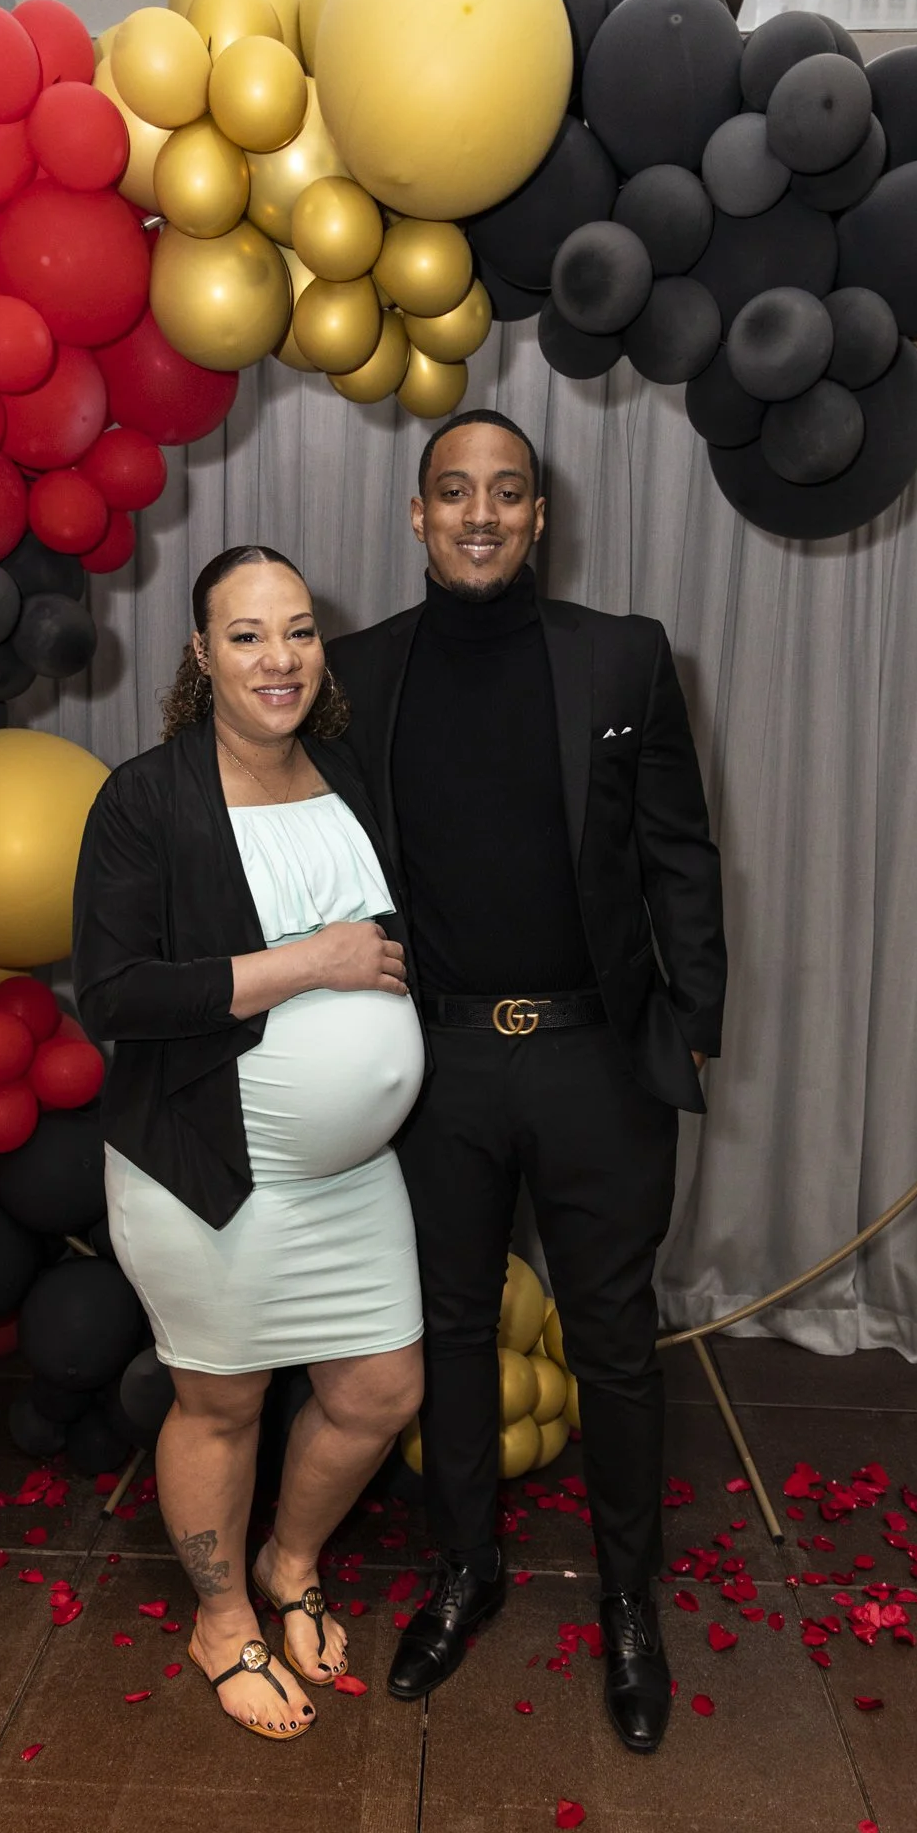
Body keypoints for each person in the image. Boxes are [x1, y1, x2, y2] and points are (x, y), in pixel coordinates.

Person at [331, 410, 726, 1755]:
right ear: (418, 514)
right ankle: (465, 1571)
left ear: (539, 516)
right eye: (455, 492)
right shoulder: (359, 673)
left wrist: (695, 1019)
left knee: (612, 1338)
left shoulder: (621, 655)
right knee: (449, 1329)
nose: (481, 514)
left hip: (593, 1058)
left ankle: (627, 1604)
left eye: (507, 492)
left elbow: (679, 850)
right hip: (432, 1059)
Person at [72, 545, 426, 1743]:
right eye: (246, 634)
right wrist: (309, 962)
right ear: (200, 653)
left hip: (352, 1176)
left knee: (380, 1390)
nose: (279, 658)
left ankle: (290, 1559)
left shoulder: (348, 772)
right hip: (208, 1166)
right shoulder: (147, 798)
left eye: (299, 630)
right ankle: (221, 1620)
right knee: (220, 1402)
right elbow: (114, 993)